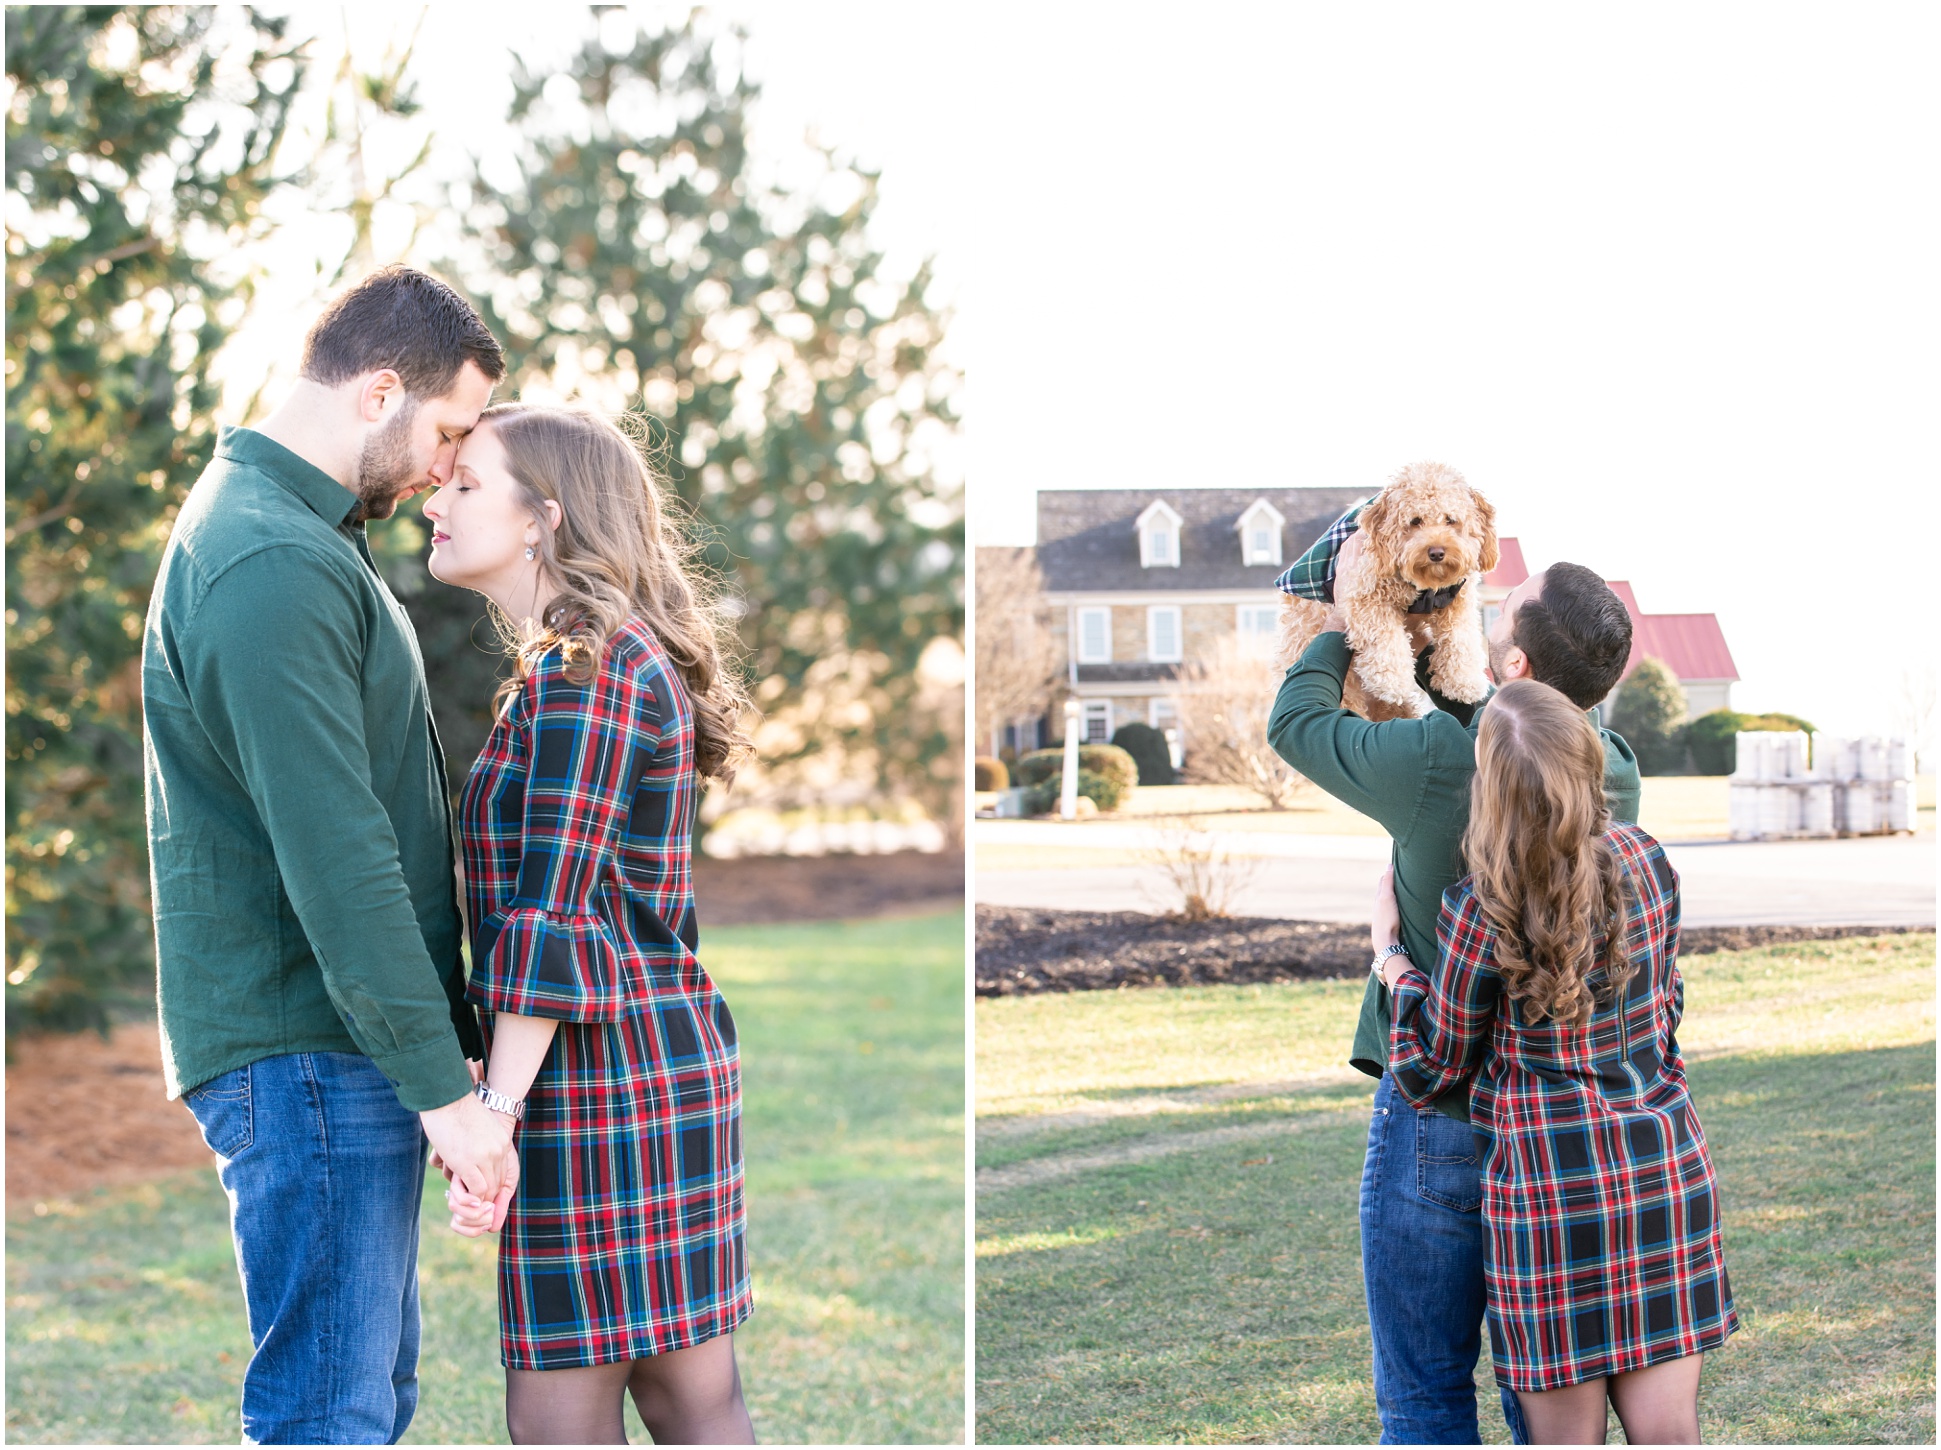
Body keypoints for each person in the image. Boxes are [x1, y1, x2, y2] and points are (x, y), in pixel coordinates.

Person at [142, 266, 514, 1443]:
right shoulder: (270, 559)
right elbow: (336, 853)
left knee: (363, 1405)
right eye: (447, 430)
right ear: (379, 392)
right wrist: (447, 1093)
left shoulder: (299, 535)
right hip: (307, 1047)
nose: (445, 467)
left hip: (330, 1047)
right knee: (329, 1418)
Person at [420, 403, 758, 1445]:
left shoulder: (591, 665)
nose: (434, 500)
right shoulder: (585, 660)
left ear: (544, 518)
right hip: (635, 1060)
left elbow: (553, 907)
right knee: (686, 1395)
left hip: (601, 1080)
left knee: (570, 1418)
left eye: (466, 482)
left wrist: (495, 1114)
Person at [1266, 526, 1640, 1445]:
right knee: (1539, 1395)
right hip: (1557, 1124)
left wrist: (1346, 617)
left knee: (1424, 1397)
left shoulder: (1442, 761)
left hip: (1439, 1100)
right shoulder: (1618, 775)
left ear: (1510, 659)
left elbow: (1295, 723)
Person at [1374, 678, 1737, 1443]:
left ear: (1492, 792)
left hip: (1547, 1203)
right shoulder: (1645, 860)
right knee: (1670, 1436)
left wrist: (1393, 966)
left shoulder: (1478, 909)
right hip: (1659, 1175)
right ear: (1587, 764)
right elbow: (1665, 1008)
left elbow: (1431, 1069)